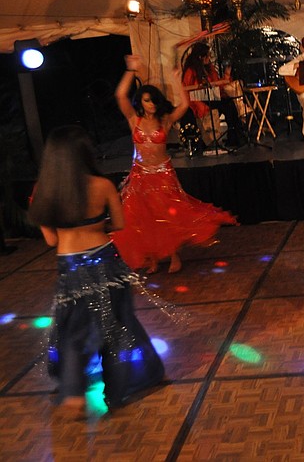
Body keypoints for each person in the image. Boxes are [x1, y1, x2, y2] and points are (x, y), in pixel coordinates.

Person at [27, 125, 164, 418]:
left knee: (73, 330)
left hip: (71, 265)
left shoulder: (43, 191)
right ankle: (116, 393)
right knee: (115, 326)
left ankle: (73, 394)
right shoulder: (101, 185)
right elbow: (118, 224)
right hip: (106, 261)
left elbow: (51, 240)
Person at [112, 55, 237, 274]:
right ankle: (151, 259)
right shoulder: (134, 120)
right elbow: (120, 94)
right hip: (141, 175)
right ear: (140, 103)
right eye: (146, 101)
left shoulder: (165, 120)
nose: (151, 104)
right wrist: (130, 70)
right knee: (143, 217)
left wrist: (177, 79)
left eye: (153, 100)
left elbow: (185, 104)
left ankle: (173, 256)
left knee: (166, 214)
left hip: (162, 174)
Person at [181, 42, 245, 149]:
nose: (209, 58)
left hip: (211, 95)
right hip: (197, 98)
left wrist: (227, 75)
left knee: (229, 104)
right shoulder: (191, 70)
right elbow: (184, 87)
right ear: (200, 57)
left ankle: (234, 137)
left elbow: (218, 83)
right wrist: (200, 86)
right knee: (223, 105)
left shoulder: (209, 68)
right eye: (207, 55)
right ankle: (222, 139)